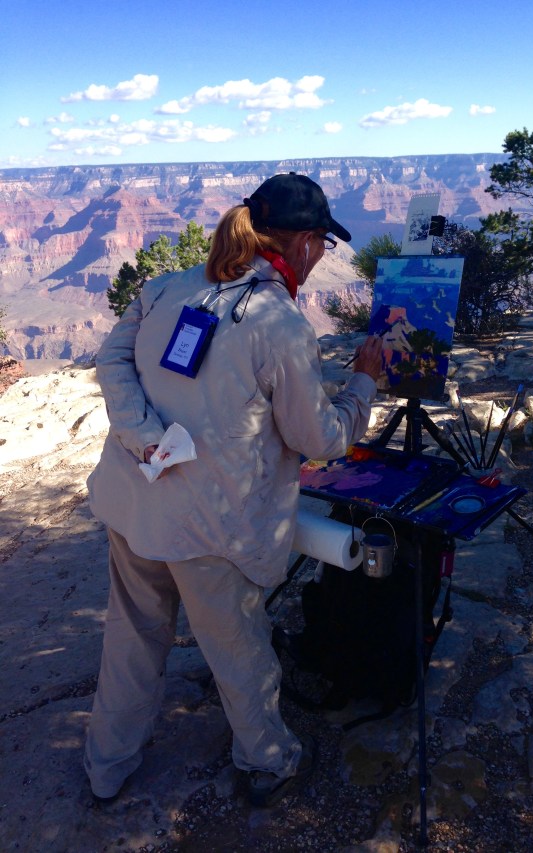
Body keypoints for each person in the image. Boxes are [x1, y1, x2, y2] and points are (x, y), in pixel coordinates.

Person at [84, 172, 383, 808]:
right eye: (323, 245)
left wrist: (145, 439)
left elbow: (110, 362)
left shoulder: (168, 287)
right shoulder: (278, 323)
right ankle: (266, 762)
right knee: (239, 650)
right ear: (303, 243)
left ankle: (106, 768)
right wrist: (363, 385)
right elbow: (322, 439)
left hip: (136, 503)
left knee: (131, 637)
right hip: (209, 526)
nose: (321, 257)